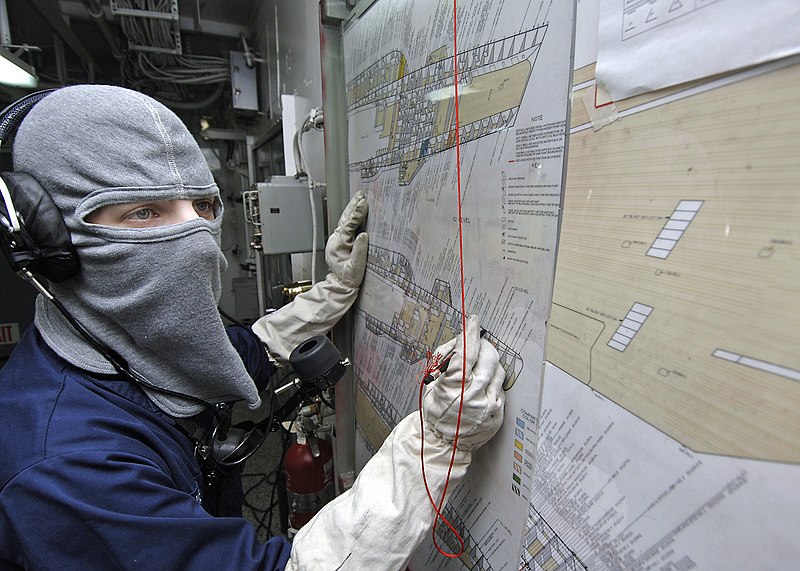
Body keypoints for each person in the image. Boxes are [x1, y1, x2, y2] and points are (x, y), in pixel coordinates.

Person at [0, 85, 505, 570]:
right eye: (144, 212)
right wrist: (438, 440)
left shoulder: (131, 343)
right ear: (49, 244)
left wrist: (335, 291)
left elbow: (251, 349)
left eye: (201, 207)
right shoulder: (66, 465)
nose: (195, 238)